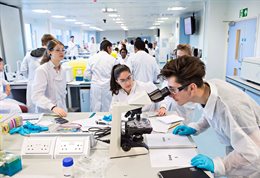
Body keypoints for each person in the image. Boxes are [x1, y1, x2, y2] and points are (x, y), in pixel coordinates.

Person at [160, 56, 260, 177]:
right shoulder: (208, 88)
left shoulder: (232, 108)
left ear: (192, 88)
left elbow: (253, 154)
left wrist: (218, 164)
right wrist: (196, 127)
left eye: (173, 89)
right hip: (239, 146)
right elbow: (210, 111)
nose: (170, 95)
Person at [31, 39, 67, 117]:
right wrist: (53, 107)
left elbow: (62, 94)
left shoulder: (63, 70)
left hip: (61, 111)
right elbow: (36, 96)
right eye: (57, 50)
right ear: (49, 52)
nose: (61, 52)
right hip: (46, 112)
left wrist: (62, 109)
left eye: (63, 50)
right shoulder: (42, 70)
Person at [21, 34, 55, 113]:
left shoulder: (29, 54)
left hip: (32, 85)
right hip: (47, 86)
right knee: (48, 112)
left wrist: (31, 78)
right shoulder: (52, 54)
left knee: (32, 111)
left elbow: (23, 70)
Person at [85, 40, 117, 112]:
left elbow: (86, 75)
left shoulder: (92, 58)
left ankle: (95, 122)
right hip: (108, 87)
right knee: (108, 108)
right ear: (108, 48)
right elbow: (117, 75)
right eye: (111, 48)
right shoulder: (113, 60)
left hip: (95, 87)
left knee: (95, 108)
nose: (111, 50)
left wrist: (95, 78)